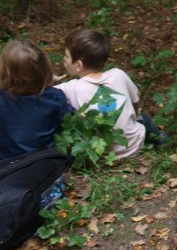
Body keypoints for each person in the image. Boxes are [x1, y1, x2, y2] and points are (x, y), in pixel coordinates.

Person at [55, 29, 167, 159]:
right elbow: (136, 102)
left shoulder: (70, 88)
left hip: (103, 154)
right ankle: (161, 140)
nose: (64, 59)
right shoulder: (118, 74)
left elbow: (43, 93)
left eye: (67, 56)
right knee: (143, 117)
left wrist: (48, 79)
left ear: (79, 65)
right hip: (135, 145)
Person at [0, 39, 72, 161]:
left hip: (6, 166)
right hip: (42, 164)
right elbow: (67, 125)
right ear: (45, 67)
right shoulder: (55, 98)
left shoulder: (2, 97)